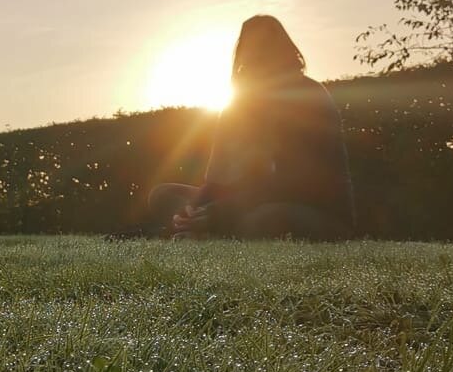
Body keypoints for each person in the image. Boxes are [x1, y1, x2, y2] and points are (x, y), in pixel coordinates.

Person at [147, 15, 354, 240]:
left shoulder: (309, 96)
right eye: (252, 52)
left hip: (312, 209)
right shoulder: (237, 106)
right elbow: (216, 182)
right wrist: (194, 210)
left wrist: (222, 212)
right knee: (164, 195)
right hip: (241, 205)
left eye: (265, 51)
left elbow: (298, 183)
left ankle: (210, 234)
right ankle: (198, 230)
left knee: (261, 219)